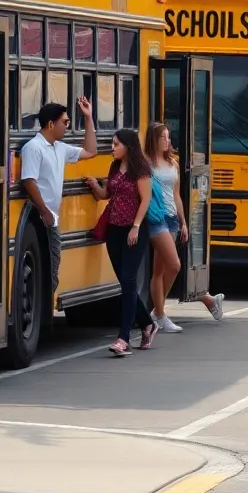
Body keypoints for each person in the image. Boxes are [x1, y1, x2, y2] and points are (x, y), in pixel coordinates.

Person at [143, 122, 225, 332]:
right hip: (156, 217)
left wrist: (183, 221)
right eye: (163, 137)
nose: (167, 141)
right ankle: (160, 314)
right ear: (154, 139)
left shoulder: (173, 162)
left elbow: (177, 195)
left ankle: (158, 312)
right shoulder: (146, 163)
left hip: (171, 217)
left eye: (168, 137)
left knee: (160, 270)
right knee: (175, 265)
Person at [85, 129, 158, 356]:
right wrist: (93, 185)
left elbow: (145, 199)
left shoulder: (141, 169)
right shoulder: (114, 166)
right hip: (114, 230)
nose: (113, 147)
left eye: (116, 144)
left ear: (128, 145)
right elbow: (106, 193)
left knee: (128, 279)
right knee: (125, 283)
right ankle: (147, 323)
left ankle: (123, 338)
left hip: (134, 230)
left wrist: (136, 226)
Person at [20, 98, 97, 295]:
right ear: (51, 124)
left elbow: (90, 151)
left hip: (52, 216)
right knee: (49, 269)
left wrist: (88, 118)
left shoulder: (59, 148)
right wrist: (44, 211)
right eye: (65, 122)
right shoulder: (33, 147)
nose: (67, 126)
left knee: (53, 267)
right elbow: (29, 181)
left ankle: (46, 313)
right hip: (40, 217)